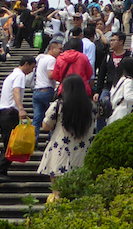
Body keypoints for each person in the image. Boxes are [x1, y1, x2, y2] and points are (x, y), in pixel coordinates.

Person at [38, 74, 97, 202]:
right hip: (83, 151)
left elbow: (46, 127)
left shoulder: (59, 105)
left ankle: (58, 207)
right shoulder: (92, 107)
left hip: (60, 150)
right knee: (80, 188)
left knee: (58, 190)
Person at [0, 56, 35, 183]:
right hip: (10, 112)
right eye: (32, 67)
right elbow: (16, 92)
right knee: (12, 145)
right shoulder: (20, 75)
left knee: (8, 144)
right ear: (26, 64)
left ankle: (1, 172)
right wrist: (21, 108)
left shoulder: (11, 75)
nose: (32, 71)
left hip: (3, 112)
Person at [33, 38, 63, 132]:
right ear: (52, 49)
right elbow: (50, 75)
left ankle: (33, 141)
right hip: (47, 91)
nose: (61, 52)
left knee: (37, 119)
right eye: (59, 49)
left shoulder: (41, 58)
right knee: (53, 115)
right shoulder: (52, 59)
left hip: (37, 91)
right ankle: (51, 139)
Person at [109, 56, 133, 122]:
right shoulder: (128, 80)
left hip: (114, 112)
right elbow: (128, 96)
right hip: (122, 112)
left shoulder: (118, 79)